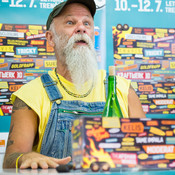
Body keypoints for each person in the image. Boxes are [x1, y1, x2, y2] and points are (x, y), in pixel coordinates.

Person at [3, 0, 146, 170]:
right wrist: (25, 157)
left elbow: (145, 151)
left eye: (87, 23)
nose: (81, 28)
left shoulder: (123, 89)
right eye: (70, 22)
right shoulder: (30, 95)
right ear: (50, 38)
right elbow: (12, 158)